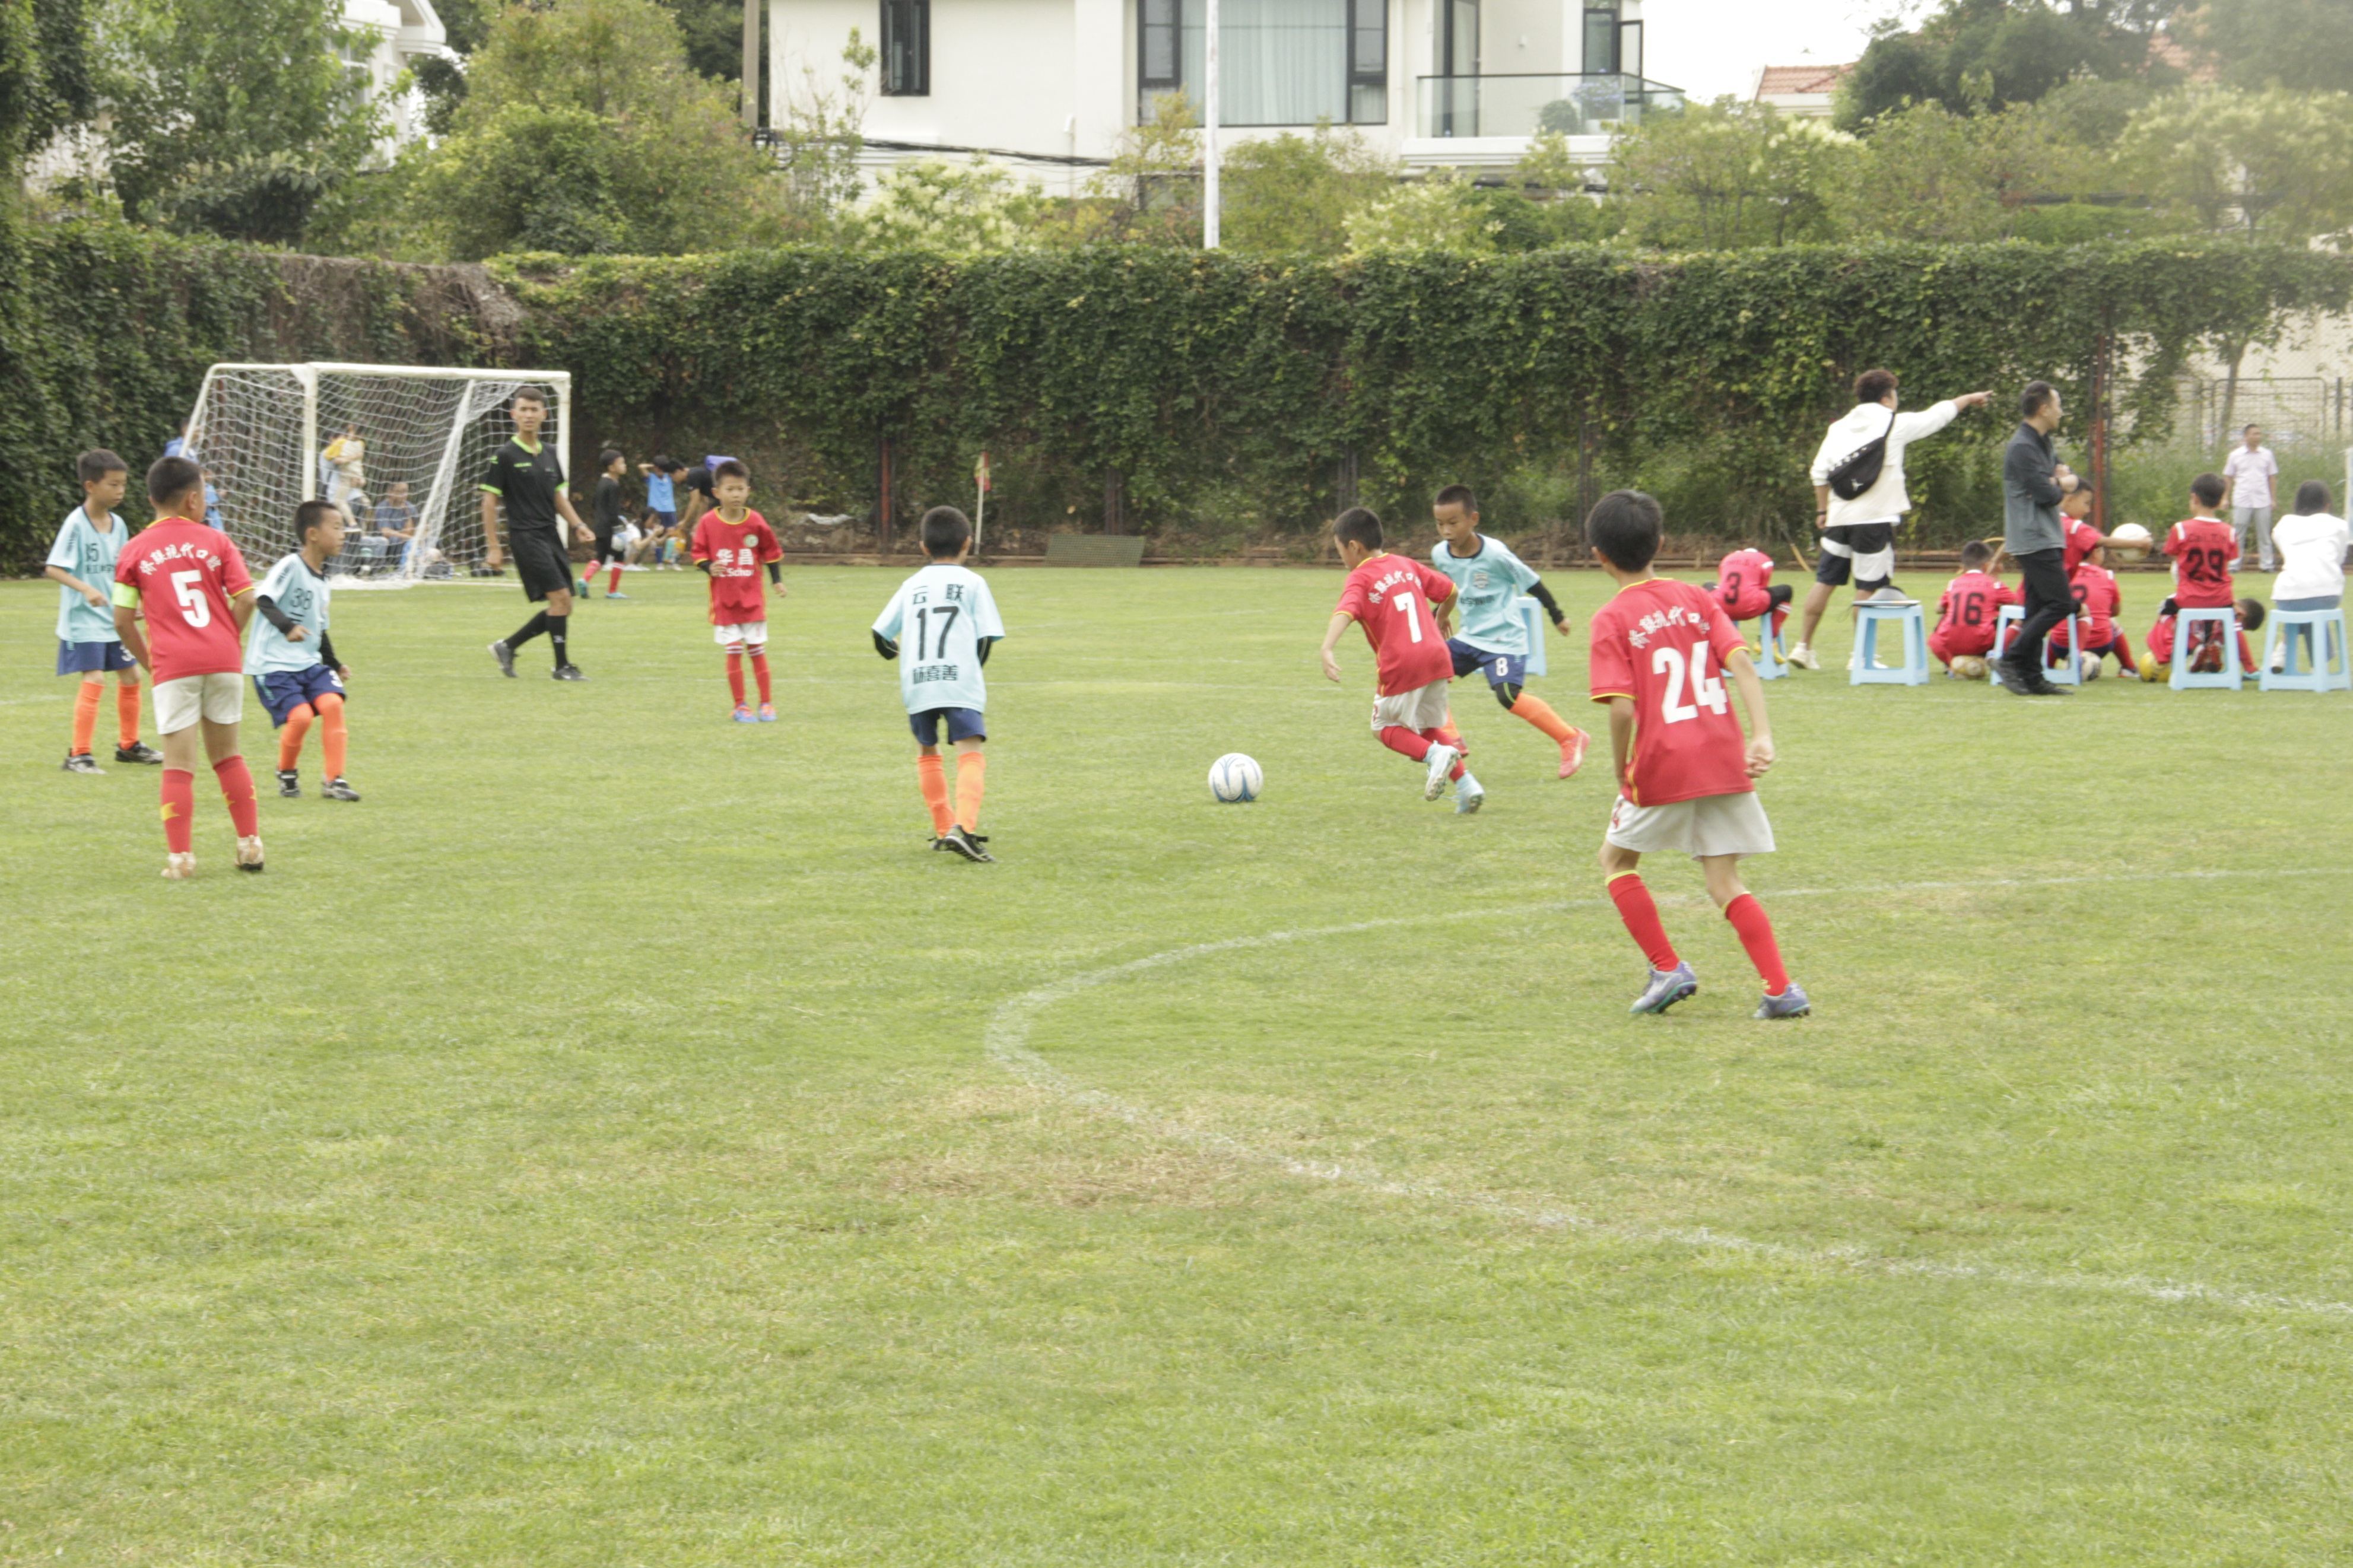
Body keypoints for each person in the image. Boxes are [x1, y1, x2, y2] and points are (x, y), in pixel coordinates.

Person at [1584, 489, 1806, 1020]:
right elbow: (1744, 667)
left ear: (1598, 555)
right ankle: (1780, 989)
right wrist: (1762, 736)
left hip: (1663, 759)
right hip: (1722, 754)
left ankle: (1666, 968)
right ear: (1661, 542)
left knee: (1615, 860)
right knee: (1723, 879)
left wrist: (1621, 767)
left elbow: (1620, 711)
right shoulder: (1697, 597)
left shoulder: (1611, 618)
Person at [110, 455, 264, 879]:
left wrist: (152, 664)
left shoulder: (134, 549)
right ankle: (250, 846)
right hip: (223, 660)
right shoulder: (217, 541)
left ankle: (181, 859)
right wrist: (227, 640)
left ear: (151, 498)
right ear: (194, 499)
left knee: (179, 765)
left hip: (174, 665)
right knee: (228, 756)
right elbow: (248, 598)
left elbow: (122, 620)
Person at [1789, 370, 1992, 670]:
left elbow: (1819, 473)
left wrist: (1823, 511)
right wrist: (1970, 398)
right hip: (1874, 520)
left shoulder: (1839, 428)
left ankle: (1803, 648)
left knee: (1825, 581)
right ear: (1887, 398)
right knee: (1867, 589)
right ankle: (1861, 656)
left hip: (1838, 516)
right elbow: (1938, 415)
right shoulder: (1895, 423)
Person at [1319, 507, 1483, 811]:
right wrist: (1442, 618)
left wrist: (1327, 648)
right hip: (1437, 656)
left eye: (1339, 549)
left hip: (1404, 663)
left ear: (1354, 546)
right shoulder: (1405, 564)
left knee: (1383, 727)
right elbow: (1451, 589)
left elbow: (1346, 612)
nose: (1341, 557)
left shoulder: (1360, 577)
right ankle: (1467, 785)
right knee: (1428, 726)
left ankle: (1436, 756)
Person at [1427, 484, 1589, 781]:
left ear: (1473, 519)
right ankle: (1451, 736)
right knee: (1426, 670)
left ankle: (1570, 737)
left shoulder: (1497, 555)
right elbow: (1444, 588)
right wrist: (1436, 616)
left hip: (1505, 640)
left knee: (1506, 695)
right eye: (1440, 524)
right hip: (1470, 637)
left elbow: (1532, 582)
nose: (1446, 530)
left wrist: (1557, 616)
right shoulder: (1441, 554)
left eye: (1453, 523)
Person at [871, 505, 1005, 863]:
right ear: (967, 543)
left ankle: (945, 826)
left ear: (923, 548)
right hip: (958, 680)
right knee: (970, 751)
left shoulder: (911, 584)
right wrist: (971, 672)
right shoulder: (974, 583)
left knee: (927, 752)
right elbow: (985, 639)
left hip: (918, 681)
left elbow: (880, 636)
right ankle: (965, 828)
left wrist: (903, 654)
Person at [45, 449, 161, 773]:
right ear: (91, 486)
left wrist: (132, 602)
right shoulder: (76, 524)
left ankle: (129, 746)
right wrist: (86, 588)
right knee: (95, 678)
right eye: (113, 485)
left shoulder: (119, 524)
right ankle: (78, 755)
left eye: (123, 484)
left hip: (111, 621)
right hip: (82, 623)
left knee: (132, 675)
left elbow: (122, 572)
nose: (120, 491)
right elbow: (54, 568)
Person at [482, 387, 596, 681]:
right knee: (560, 600)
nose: (529, 415)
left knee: (564, 604)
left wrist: (579, 525)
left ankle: (507, 646)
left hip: (550, 536)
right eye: (524, 409)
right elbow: (489, 502)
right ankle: (562, 667)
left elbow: (559, 497)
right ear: (514, 415)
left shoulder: (549, 453)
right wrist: (494, 547)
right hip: (525, 537)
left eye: (535, 410)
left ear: (544, 415)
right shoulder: (504, 456)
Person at [248, 501, 359, 802]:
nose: (343, 534)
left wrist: (334, 664)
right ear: (312, 534)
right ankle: (286, 771)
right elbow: (264, 600)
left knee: (333, 705)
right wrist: (288, 628)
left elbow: (320, 629)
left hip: (308, 664)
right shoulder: (290, 566)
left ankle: (334, 780)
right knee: (301, 718)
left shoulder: (323, 581)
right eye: (336, 528)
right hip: (273, 666)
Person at [1998, 380, 2082, 696]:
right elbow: (2049, 494)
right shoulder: (2022, 447)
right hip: (2033, 536)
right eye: (2058, 405)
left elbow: (2068, 476)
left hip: (2047, 534)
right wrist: (2062, 483)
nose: (2061, 412)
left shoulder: (2043, 443)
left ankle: (2033, 677)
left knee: (2036, 609)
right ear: (2044, 409)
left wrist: (2063, 481)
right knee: (2062, 603)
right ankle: (2010, 658)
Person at [691, 459, 786, 722]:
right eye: (730, 489)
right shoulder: (709, 522)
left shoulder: (755, 520)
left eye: (741, 489)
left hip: (752, 600)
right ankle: (740, 706)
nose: (736, 494)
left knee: (757, 650)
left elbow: (771, 550)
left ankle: (766, 704)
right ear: (717, 493)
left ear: (748, 491)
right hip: (725, 601)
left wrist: (777, 580)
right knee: (733, 651)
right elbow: (697, 552)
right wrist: (709, 566)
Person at [2145, 473, 2259, 676]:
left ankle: (2176, 655)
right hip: (2221, 599)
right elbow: (2229, 562)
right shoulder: (2230, 532)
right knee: (2231, 623)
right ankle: (2247, 666)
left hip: (2190, 597)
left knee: (2164, 612)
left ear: (2195, 499)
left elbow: (2175, 560)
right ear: (2221, 500)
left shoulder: (2181, 529)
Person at [2268, 479, 2349, 672]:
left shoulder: (2283, 526)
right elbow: (2338, 558)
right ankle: (2319, 663)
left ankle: (2282, 650)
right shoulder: (2339, 526)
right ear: (2327, 504)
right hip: (2326, 593)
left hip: (2287, 595)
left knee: (2302, 606)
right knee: (2314, 605)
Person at [2050, 539, 2143, 679]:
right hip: (2099, 645)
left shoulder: (2060, 575)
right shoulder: (2107, 575)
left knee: (2057, 624)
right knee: (2112, 623)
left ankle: (2048, 667)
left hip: (2062, 648)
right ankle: (2128, 667)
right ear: (2095, 553)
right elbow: (2115, 611)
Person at [1928, 539, 2018, 673]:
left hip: (1950, 644)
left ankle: (1950, 663)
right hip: (1982, 643)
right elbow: (2017, 604)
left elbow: (1939, 609)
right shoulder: (1994, 584)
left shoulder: (1954, 583)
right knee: (2014, 618)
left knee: (1945, 617)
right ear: (1988, 566)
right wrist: (1997, 607)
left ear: (1963, 567)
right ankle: (1997, 656)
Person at [2221, 424, 2279, 573]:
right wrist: (2225, 498)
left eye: (2259, 434)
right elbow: (2228, 478)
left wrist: (2273, 499)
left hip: (2262, 499)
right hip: (2242, 498)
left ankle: (2267, 565)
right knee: (2238, 533)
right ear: (2246, 436)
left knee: (2264, 534)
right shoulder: (2235, 455)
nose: (2258, 437)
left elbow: (2272, 478)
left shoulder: (2267, 454)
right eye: (2254, 434)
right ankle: (2234, 565)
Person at [587, 448, 631, 599]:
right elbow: (613, 510)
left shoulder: (601, 482)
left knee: (600, 557)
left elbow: (594, 504)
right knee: (620, 556)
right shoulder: (613, 485)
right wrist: (618, 529)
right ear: (612, 468)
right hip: (611, 528)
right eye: (622, 463)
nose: (625, 465)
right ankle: (612, 591)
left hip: (599, 526)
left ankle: (584, 580)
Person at [639, 454, 681, 566]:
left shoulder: (669, 477)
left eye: (661, 468)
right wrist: (654, 466)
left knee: (672, 535)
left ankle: (673, 562)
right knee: (657, 535)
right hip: (656, 510)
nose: (659, 470)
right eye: (658, 468)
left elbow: (678, 471)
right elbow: (641, 467)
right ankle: (659, 563)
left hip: (670, 509)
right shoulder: (651, 477)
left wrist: (665, 467)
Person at [371, 482, 417, 570]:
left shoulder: (411, 508)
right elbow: (386, 531)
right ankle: (400, 568)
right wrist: (407, 537)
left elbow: (417, 528)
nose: (404, 495)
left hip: (407, 539)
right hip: (389, 542)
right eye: (400, 492)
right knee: (396, 540)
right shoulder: (383, 508)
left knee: (433, 540)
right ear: (390, 492)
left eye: (406, 491)